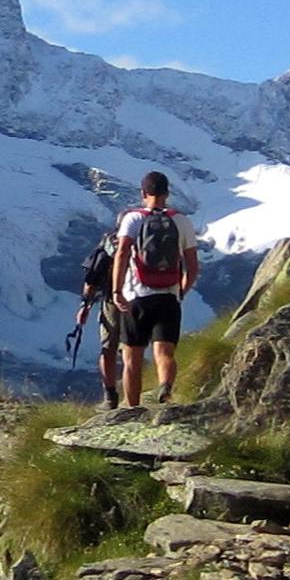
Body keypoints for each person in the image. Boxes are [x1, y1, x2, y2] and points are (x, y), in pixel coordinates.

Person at [110, 171, 200, 407]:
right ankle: (166, 390)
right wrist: (180, 291)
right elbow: (192, 266)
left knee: (132, 359)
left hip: (136, 297)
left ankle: (132, 409)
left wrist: (117, 290)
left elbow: (122, 253)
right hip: (168, 297)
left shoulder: (132, 219)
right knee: (165, 353)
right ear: (167, 193)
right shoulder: (181, 221)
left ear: (143, 193)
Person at [73, 228, 123, 409]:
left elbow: (92, 276)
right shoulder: (148, 241)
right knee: (134, 349)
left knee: (108, 348)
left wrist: (85, 306)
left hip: (112, 301)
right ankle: (137, 396)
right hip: (145, 299)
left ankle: (110, 397)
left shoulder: (110, 243)